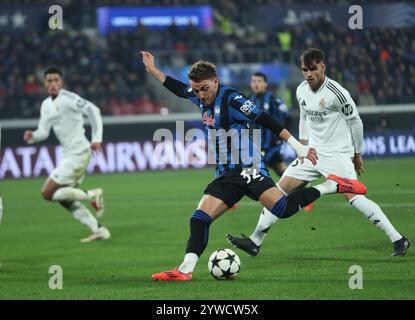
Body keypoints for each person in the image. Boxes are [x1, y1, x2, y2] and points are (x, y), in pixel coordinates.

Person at [140, 51, 367, 281]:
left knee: (283, 209)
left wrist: (297, 146)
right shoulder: (199, 95)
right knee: (199, 219)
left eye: (205, 88)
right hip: (226, 174)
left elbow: (264, 118)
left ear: (215, 82)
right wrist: (155, 71)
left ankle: (332, 186)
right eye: (197, 89)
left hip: (249, 169)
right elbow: (179, 89)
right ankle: (184, 270)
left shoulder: (232, 99)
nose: (201, 94)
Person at [227, 48, 410, 257]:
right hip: (312, 153)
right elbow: (304, 116)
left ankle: (398, 239)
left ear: (323, 67)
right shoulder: (301, 90)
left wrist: (357, 154)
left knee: (355, 198)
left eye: (312, 69)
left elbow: (356, 123)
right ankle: (254, 241)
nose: (308, 74)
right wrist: (303, 145)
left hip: (338, 155)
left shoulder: (338, 93)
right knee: (276, 193)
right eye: (304, 70)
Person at [23, 68, 110, 243]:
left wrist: (96, 138)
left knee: (47, 193)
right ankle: (99, 230)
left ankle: (92, 194)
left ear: (61, 82)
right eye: (49, 80)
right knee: (66, 200)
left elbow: (94, 110)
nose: (53, 83)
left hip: (79, 153)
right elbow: (43, 132)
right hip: (69, 155)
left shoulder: (69, 98)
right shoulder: (46, 105)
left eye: (56, 80)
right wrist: (33, 136)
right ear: (45, 84)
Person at [250, 72, 291, 177]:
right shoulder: (250, 102)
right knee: (280, 174)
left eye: (259, 81)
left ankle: (299, 187)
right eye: (254, 81)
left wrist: (281, 136)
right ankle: (298, 187)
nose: (256, 84)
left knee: (258, 176)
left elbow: (287, 116)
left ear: (265, 84)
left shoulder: (272, 99)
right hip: (258, 147)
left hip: (273, 147)